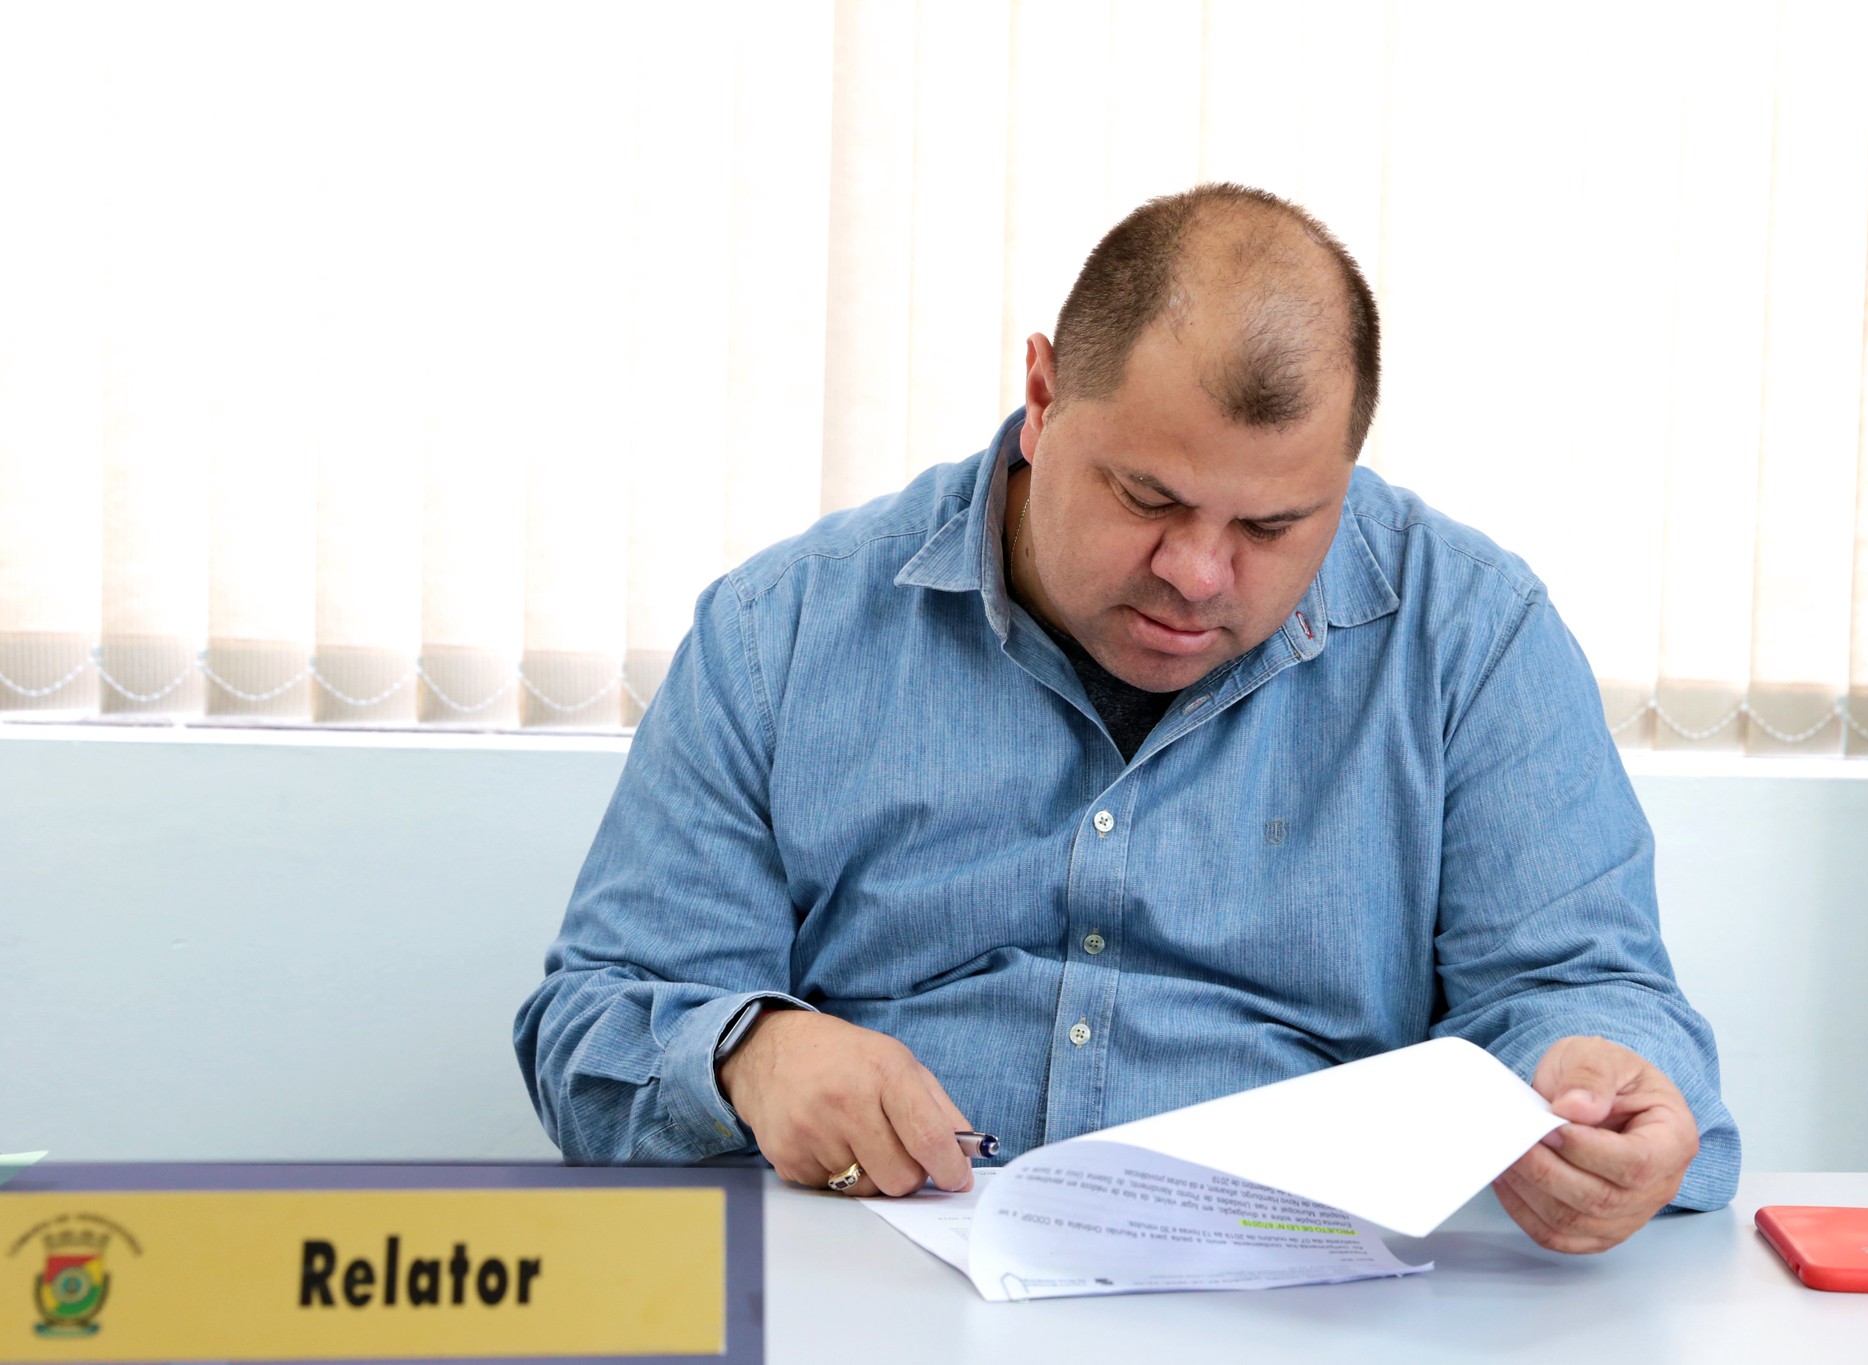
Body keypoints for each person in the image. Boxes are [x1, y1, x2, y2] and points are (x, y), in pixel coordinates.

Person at [514, 183, 1738, 1255]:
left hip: (1310, 1300)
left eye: (1271, 529)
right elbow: (593, 1025)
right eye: (1147, 497)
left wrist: (1593, 1081)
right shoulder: (780, 630)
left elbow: (1578, 991)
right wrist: (748, 1055)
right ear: (1042, 398)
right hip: (872, 1275)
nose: (1198, 574)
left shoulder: (1470, 635)